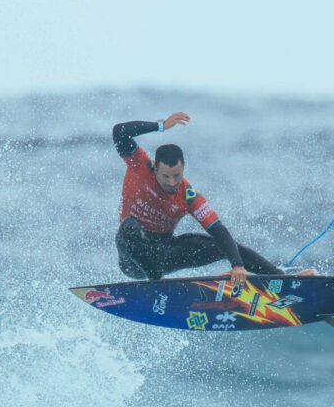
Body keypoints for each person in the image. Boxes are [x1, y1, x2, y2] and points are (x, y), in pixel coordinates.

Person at [112, 112, 311, 290]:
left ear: (183, 170)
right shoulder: (139, 166)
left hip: (164, 253)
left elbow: (218, 229)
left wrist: (237, 265)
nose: (172, 182)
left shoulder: (188, 195)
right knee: (129, 226)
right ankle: (158, 283)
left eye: (177, 176)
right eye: (165, 177)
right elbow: (119, 131)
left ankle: (281, 278)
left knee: (222, 245)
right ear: (155, 169)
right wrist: (160, 126)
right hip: (133, 259)